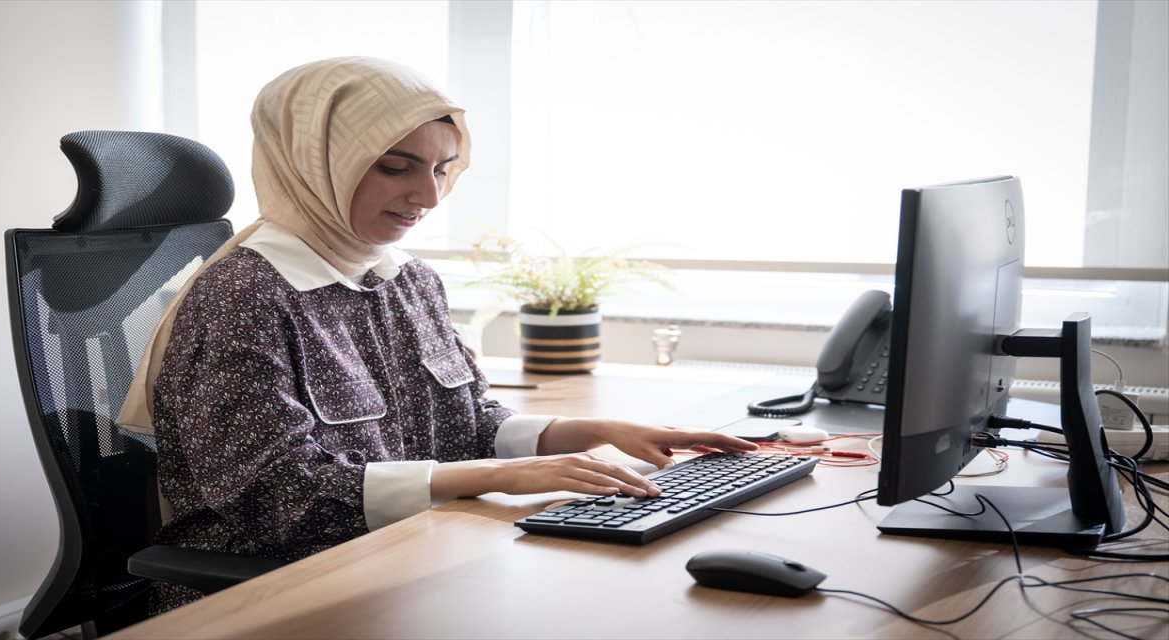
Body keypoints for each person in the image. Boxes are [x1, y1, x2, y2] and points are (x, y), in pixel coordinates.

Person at [118, 57, 756, 610]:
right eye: (397, 167)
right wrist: (494, 476)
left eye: (444, 168)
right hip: (280, 584)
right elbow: (276, 498)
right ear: (313, 162)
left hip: (411, 552)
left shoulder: (404, 278)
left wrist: (593, 433)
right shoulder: (244, 295)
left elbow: (465, 422)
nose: (428, 194)